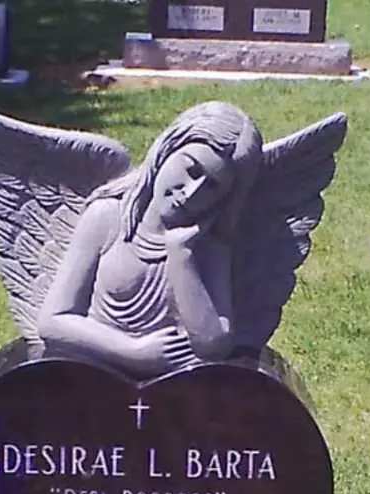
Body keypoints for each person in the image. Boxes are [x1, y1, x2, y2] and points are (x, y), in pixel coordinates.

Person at [37, 102, 264, 378]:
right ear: (166, 149)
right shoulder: (107, 217)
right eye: (192, 170)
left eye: (212, 187)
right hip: (93, 376)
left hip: (178, 386)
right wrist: (132, 350)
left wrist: (182, 256)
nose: (191, 193)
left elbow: (212, 346)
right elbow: (53, 320)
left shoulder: (209, 245)